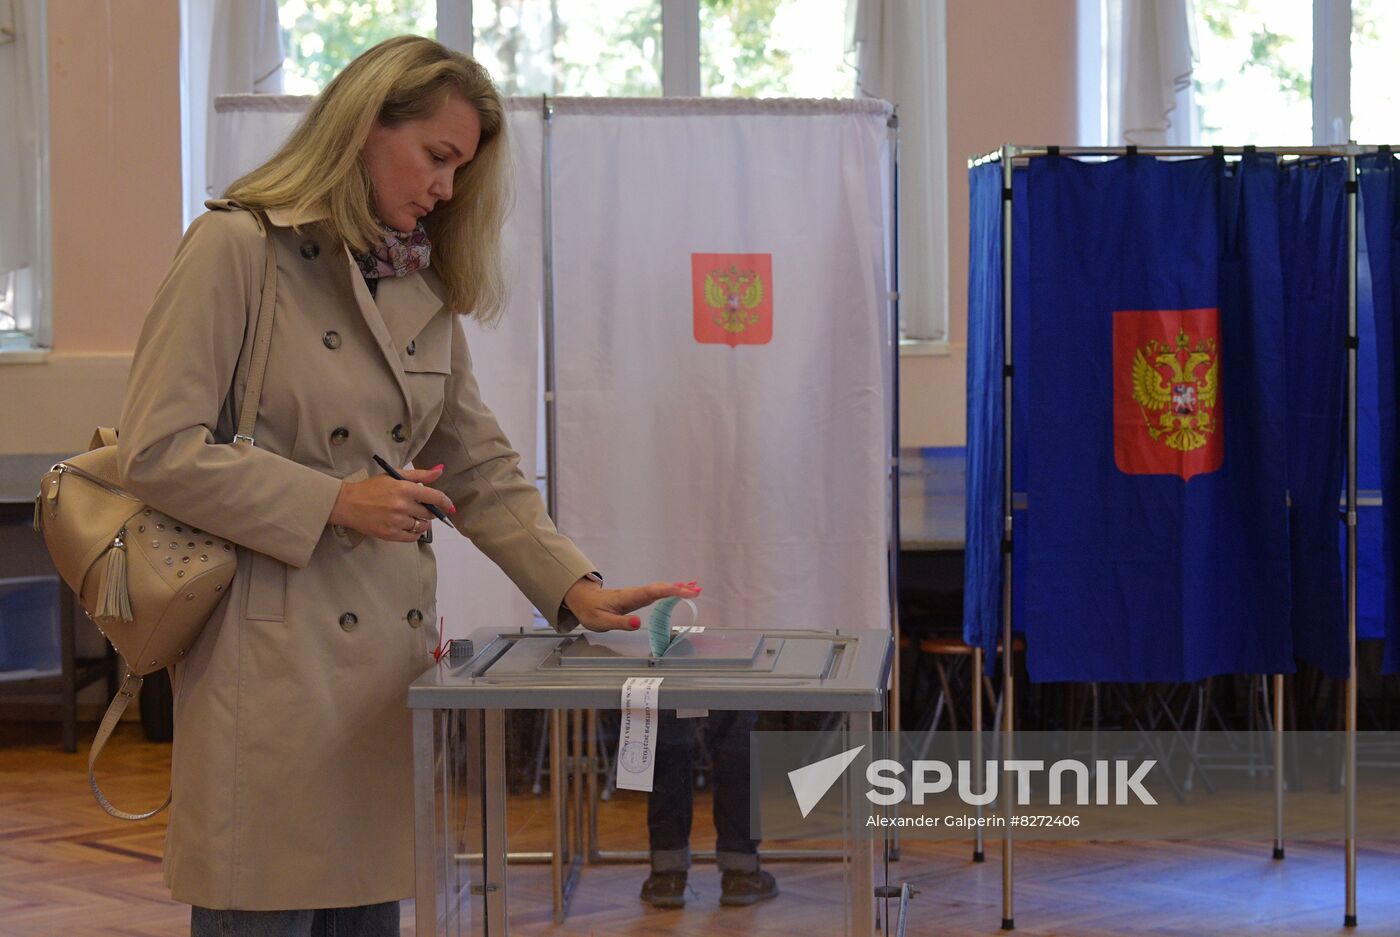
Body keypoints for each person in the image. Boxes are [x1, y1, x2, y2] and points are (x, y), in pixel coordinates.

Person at [116, 35, 699, 937]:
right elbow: (157, 450)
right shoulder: (236, 247)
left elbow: (479, 466)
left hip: (386, 676)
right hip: (269, 666)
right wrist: (332, 501)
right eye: (436, 157)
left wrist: (575, 587)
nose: (446, 189)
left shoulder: (417, 283)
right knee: (261, 912)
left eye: (461, 169)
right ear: (361, 127)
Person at [641, 709, 777, 908]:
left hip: (677, 678)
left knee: (670, 739)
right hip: (733, 677)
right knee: (735, 741)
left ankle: (666, 874)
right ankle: (741, 873)